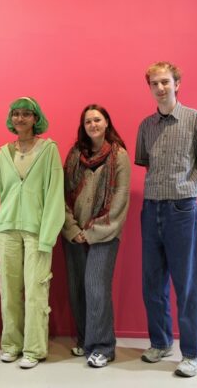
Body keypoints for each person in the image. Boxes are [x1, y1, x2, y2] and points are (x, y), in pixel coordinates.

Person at [135, 61, 197, 377]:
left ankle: (193, 352)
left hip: (182, 210)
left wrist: (194, 192)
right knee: (152, 281)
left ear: (177, 83)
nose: (160, 88)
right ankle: (160, 342)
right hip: (152, 208)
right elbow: (145, 163)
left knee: (188, 283)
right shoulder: (146, 126)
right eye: (154, 83)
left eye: (165, 82)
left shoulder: (195, 119)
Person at [0, 96, 64, 369]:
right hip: (8, 228)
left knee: (36, 291)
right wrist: (5, 218)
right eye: (16, 114)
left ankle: (34, 349)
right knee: (8, 290)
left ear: (36, 119)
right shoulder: (3, 152)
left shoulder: (49, 150)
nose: (20, 118)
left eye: (26, 114)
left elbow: (55, 194)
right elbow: (3, 190)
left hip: (37, 231)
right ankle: (11, 344)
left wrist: (48, 236)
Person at [62, 104, 131, 368]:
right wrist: (72, 229)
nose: (93, 125)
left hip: (104, 233)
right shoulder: (75, 155)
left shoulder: (119, 156)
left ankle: (103, 346)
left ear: (106, 123)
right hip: (74, 232)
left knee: (96, 288)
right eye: (88, 121)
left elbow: (120, 199)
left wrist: (92, 233)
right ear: (83, 126)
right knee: (77, 288)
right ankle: (84, 339)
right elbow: (63, 194)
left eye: (97, 120)